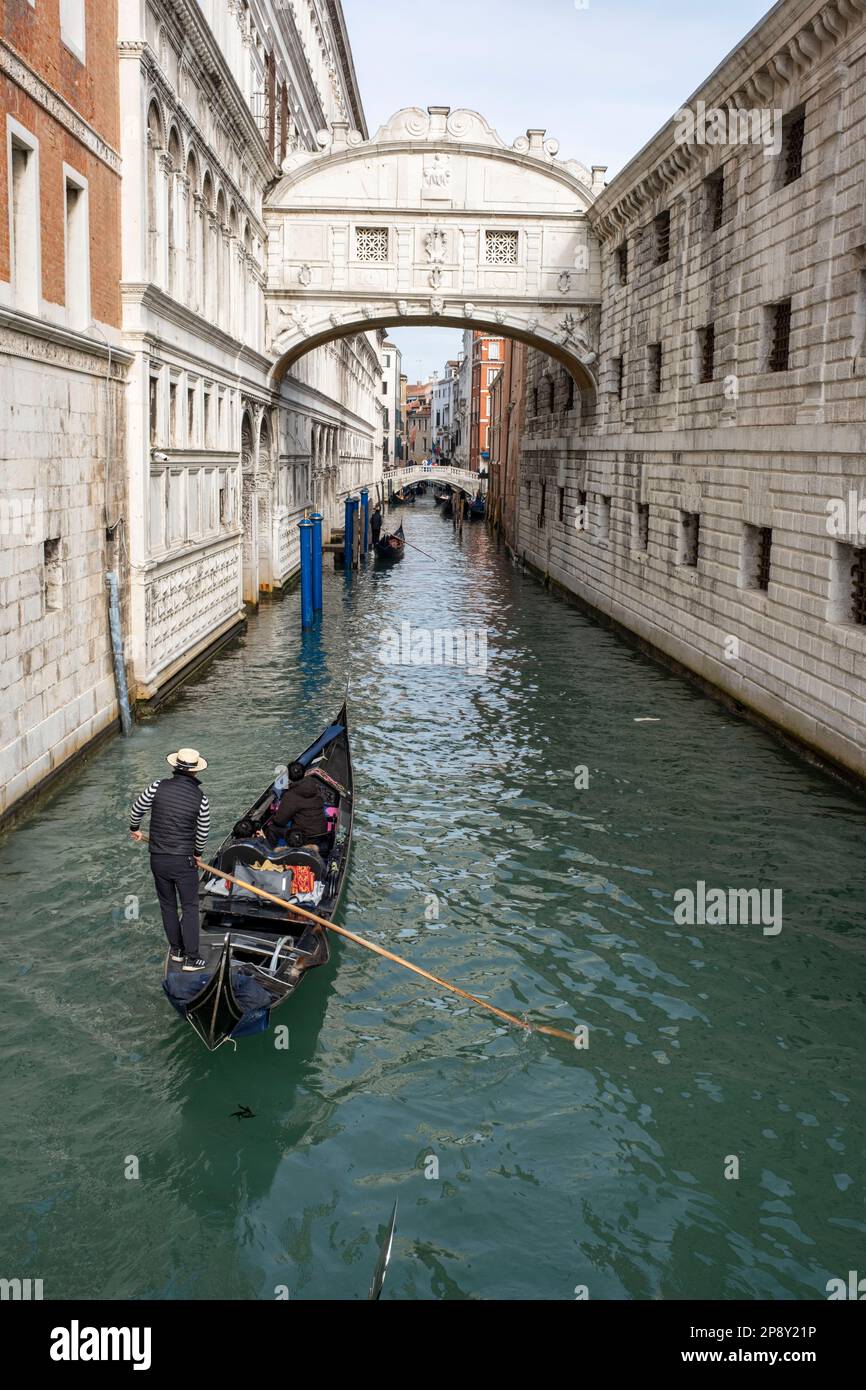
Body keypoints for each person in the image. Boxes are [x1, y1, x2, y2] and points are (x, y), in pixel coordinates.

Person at [129, 747, 210, 971]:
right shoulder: (200, 798)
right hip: (184, 861)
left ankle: (177, 951)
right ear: (195, 772)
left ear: (175, 766)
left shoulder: (157, 786)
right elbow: (203, 831)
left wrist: (135, 828)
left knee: (167, 905)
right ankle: (192, 959)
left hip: (158, 858)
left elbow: (137, 808)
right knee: (191, 907)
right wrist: (198, 853)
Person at [262, 761, 328, 851]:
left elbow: (280, 821)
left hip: (304, 836)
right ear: (304, 773)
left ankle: (269, 853)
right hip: (321, 831)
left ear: (288, 777)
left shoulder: (290, 795)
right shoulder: (315, 785)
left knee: (272, 829)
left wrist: (275, 817)